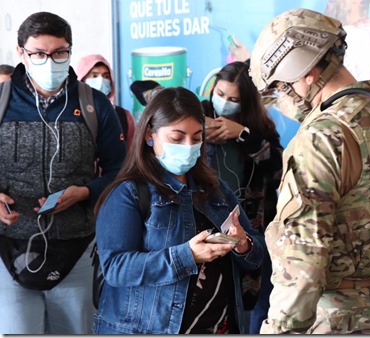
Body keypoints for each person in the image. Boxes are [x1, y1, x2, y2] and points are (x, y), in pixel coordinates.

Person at [249, 8, 370, 334]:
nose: (282, 98)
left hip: (343, 319)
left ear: (306, 74)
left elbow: (303, 258)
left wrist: (278, 330)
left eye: (281, 87)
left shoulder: (323, 135)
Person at [92, 86, 266, 334]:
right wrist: (186, 256)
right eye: (177, 138)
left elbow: (256, 253)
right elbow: (116, 268)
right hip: (147, 329)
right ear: (149, 136)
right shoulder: (128, 193)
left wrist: (243, 243)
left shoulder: (216, 189)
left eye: (196, 138)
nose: (188, 146)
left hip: (218, 326)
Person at [0, 12, 126, 334]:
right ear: (20, 53)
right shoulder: (2, 102)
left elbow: (120, 171)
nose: (50, 61)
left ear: (70, 50)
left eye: (59, 53)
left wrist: (86, 192)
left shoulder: (94, 105)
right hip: (7, 249)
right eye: (39, 54)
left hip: (77, 249)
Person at [201, 61, 283, 333]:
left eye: (233, 99)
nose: (224, 103)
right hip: (206, 231)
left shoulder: (260, 129)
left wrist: (243, 135)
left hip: (254, 233)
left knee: (256, 307)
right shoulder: (198, 115)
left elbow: (279, 168)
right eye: (220, 94)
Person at [76, 54, 136, 150]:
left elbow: (132, 154)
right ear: (82, 80)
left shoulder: (124, 116)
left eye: (106, 76)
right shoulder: (68, 113)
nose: (101, 81)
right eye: (94, 76)